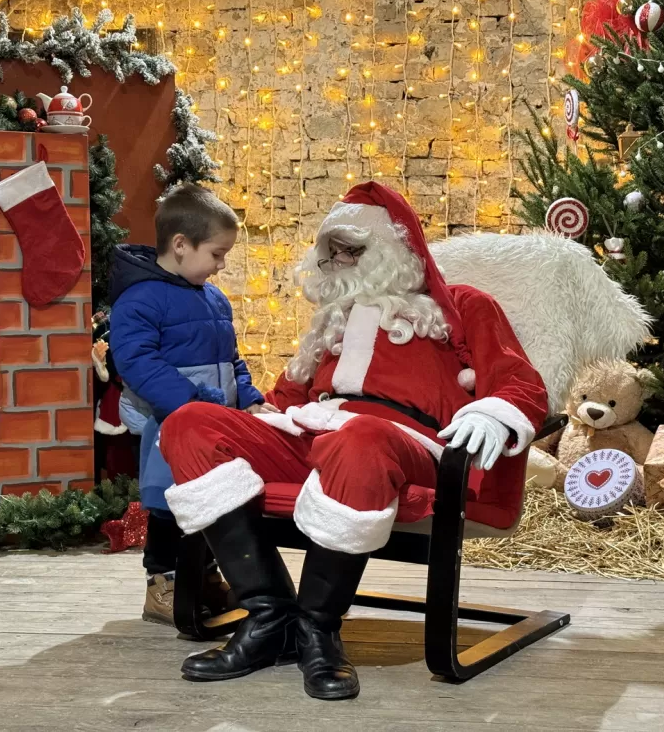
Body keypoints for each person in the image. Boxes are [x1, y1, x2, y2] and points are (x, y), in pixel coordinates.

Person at [158, 182, 548, 700]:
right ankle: (269, 617)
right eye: (332, 252)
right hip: (313, 432)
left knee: (361, 438)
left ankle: (318, 627)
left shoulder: (460, 306)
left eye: (353, 250)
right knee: (190, 422)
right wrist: (258, 415)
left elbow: (520, 381)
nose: (339, 261)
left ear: (395, 249)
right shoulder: (331, 323)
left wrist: (494, 412)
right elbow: (284, 398)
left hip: (406, 445)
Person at [109, 183, 275, 627]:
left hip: (217, 424)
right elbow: (137, 361)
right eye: (217, 254)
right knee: (169, 504)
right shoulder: (139, 300)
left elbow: (232, 359)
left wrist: (251, 399)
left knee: (215, 502)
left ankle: (202, 575)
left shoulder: (214, 299)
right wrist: (191, 405)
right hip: (173, 423)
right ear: (181, 245)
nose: (221, 266)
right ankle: (162, 584)